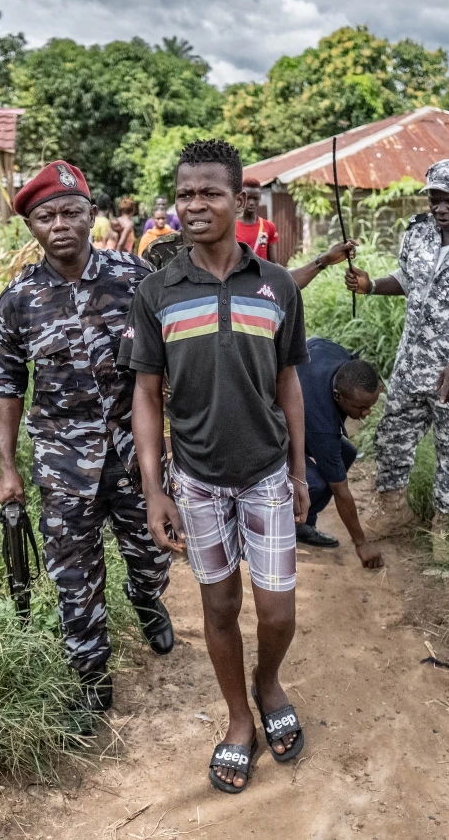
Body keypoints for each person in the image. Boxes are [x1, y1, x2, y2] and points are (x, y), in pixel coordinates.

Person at [122, 139, 310, 794]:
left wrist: (300, 471)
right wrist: (155, 488)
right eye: (184, 194)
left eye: (210, 193)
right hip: (197, 479)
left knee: (278, 612)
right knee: (221, 605)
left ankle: (268, 680)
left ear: (238, 200)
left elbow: (289, 384)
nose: (194, 205)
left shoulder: (276, 284)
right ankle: (239, 719)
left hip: (264, 473)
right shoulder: (157, 291)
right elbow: (146, 394)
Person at [0, 160, 175, 720]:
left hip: (134, 454)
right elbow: (5, 384)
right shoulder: (18, 300)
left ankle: (145, 598)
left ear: (90, 216)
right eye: (47, 215)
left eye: (72, 211)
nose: (60, 223)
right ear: (32, 226)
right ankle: (92, 680)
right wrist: (7, 465)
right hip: (63, 462)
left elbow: (168, 358)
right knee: (73, 576)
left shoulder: (134, 276)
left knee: (153, 555)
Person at [344, 158, 449, 551]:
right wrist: (371, 285)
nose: (439, 209)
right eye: (433, 201)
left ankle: (445, 528)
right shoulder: (419, 232)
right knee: (392, 438)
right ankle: (394, 510)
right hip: (412, 364)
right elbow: (408, 280)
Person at [294, 336, 385, 564]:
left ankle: (303, 524)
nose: (366, 413)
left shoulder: (338, 356)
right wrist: (361, 542)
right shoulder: (322, 423)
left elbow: (312, 342)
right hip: (270, 432)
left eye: (370, 406)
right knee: (317, 482)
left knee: (348, 454)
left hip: (298, 417)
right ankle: (282, 524)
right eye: (361, 407)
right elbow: (340, 490)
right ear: (337, 395)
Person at [234, 177, 278, 262]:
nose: (251, 203)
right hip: (239, 274)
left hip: (262, 274)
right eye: (248, 198)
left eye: (255, 199)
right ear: (241, 198)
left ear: (260, 199)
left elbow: (273, 262)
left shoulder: (269, 227)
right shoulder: (230, 227)